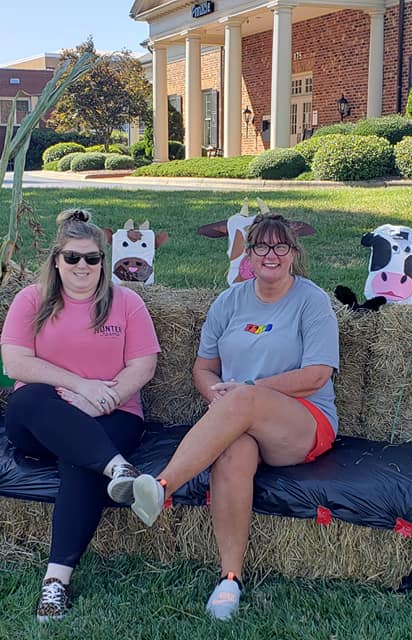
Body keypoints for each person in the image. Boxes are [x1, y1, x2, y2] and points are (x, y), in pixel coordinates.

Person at [127, 213, 340, 621]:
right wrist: (216, 394)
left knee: (245, 398)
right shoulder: (229, 302)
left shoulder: (312, 301)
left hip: (302, 422)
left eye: (281, 246)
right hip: (241, 417)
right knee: (231, 454)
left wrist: (246, 392)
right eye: (262, 246)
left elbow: (317, 375)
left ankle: (161, 486)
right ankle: (229, 579)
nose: (271, 254)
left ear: (294, 254)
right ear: (250, 254)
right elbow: (203, 369)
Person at [0, 209, 161, 623]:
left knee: (79, 461)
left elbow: (143, 366)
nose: (82, 267)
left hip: (113, 413)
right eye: (73, 258)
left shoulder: (127, 303)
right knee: (28, 399)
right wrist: (78, 387)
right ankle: (118, 468)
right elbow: (16, 363)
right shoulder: (31, 301)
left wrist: (104, 398)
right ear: (56, 260)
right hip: (40, 417)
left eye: (92, 258)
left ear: (103, 263)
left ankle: (55, 583)